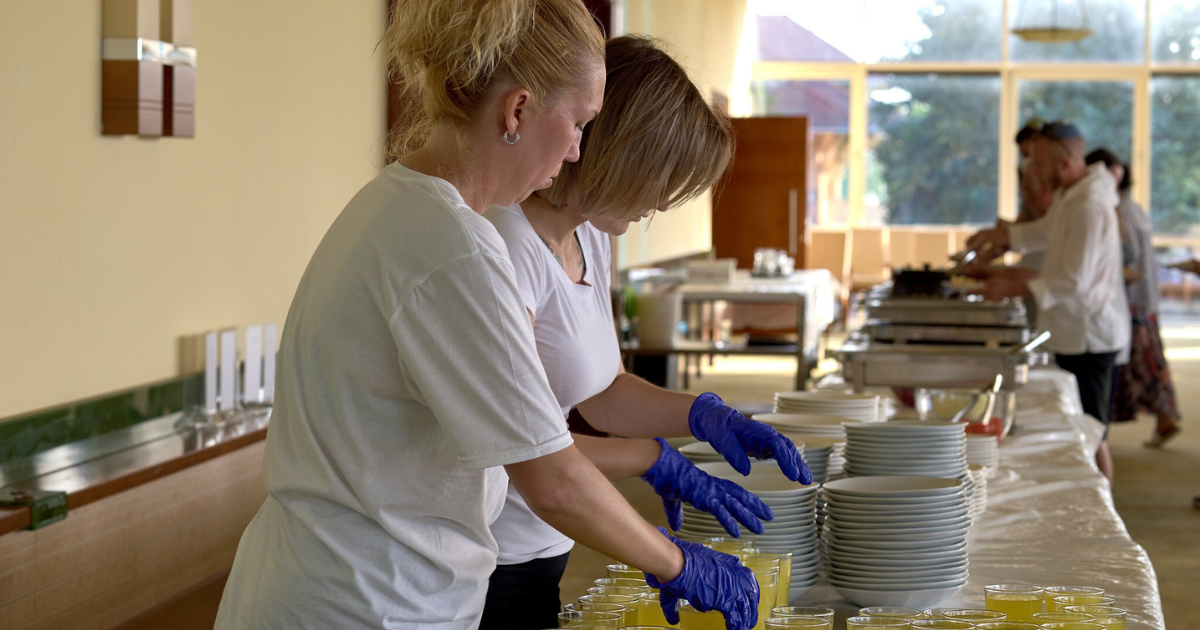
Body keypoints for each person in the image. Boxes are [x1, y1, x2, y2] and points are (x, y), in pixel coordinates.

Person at [214, 2, 758, 628]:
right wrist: (677, 563)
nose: (580, 149)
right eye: (579, 122)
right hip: (366, 600)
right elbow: (550, 478)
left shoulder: (396, 204)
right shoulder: (457, 250)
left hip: (329, 580)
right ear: (518, 110)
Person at [481, 36, 810, 630]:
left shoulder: (591, 236)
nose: (659, 204)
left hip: (547, 544)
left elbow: (603, 392)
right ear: (621, 152)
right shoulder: (503, 246)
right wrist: (652, 461)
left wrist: (706, 416)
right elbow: (524, 455)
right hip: (490, 554)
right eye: (662, 180)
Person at [966, 121, 1130, 482]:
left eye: (1038, 165)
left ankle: (1101, 506)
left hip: (1090, 335)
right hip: (1072, 330)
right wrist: (1001, 235)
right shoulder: (1073, 195)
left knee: (1091, 430)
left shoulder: (1089, 204)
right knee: (1081, 427)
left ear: (1067, 164)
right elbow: (1043, 234)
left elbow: (1072, 282)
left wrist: (1009, 286)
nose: (1032, 173)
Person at [1086, 149, 1183, 448]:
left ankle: (1166, 418)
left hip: (1132, 300)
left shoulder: (1119, 210)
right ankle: (1166, 418)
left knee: (1144, 363)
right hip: (1144, 298)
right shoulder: (1134, 207)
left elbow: (1128, 256)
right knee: (1151, 360)